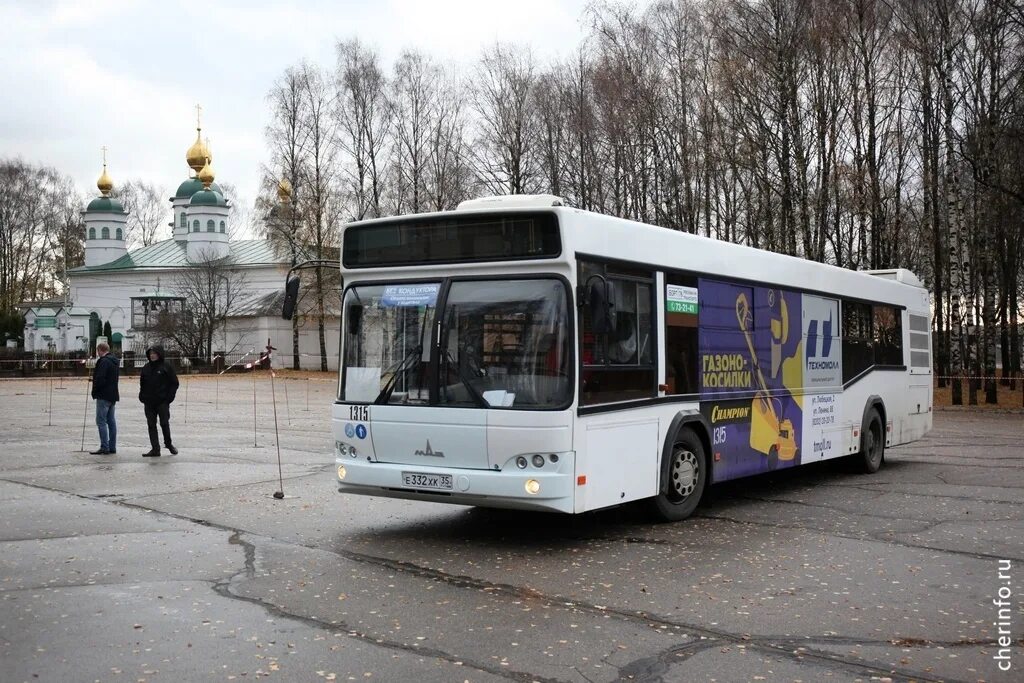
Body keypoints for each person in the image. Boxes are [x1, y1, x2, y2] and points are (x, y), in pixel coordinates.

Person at [139, 346, 179, 457]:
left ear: (159, 354)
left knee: (164, 424)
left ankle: (169, 444)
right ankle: (155, 449)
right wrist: (142, 396)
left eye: (154, 353)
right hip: (149, 402)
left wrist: (169, 399)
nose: (152, 355)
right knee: (151, 425)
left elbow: (174, 383)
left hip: (162, 402)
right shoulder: (146, 368)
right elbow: (142, 383)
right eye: (151, 353)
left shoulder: (166, 367)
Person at [90, 341, 119, 455]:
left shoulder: (103, 361)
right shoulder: (115, 361)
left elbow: (100, 378)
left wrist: (95, 390)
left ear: (100, 350)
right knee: (111, 422)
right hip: (113, 395)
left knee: (101, 421)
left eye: (98, 351)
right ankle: (112, 446)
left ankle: (104, 446)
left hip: (103, 395)